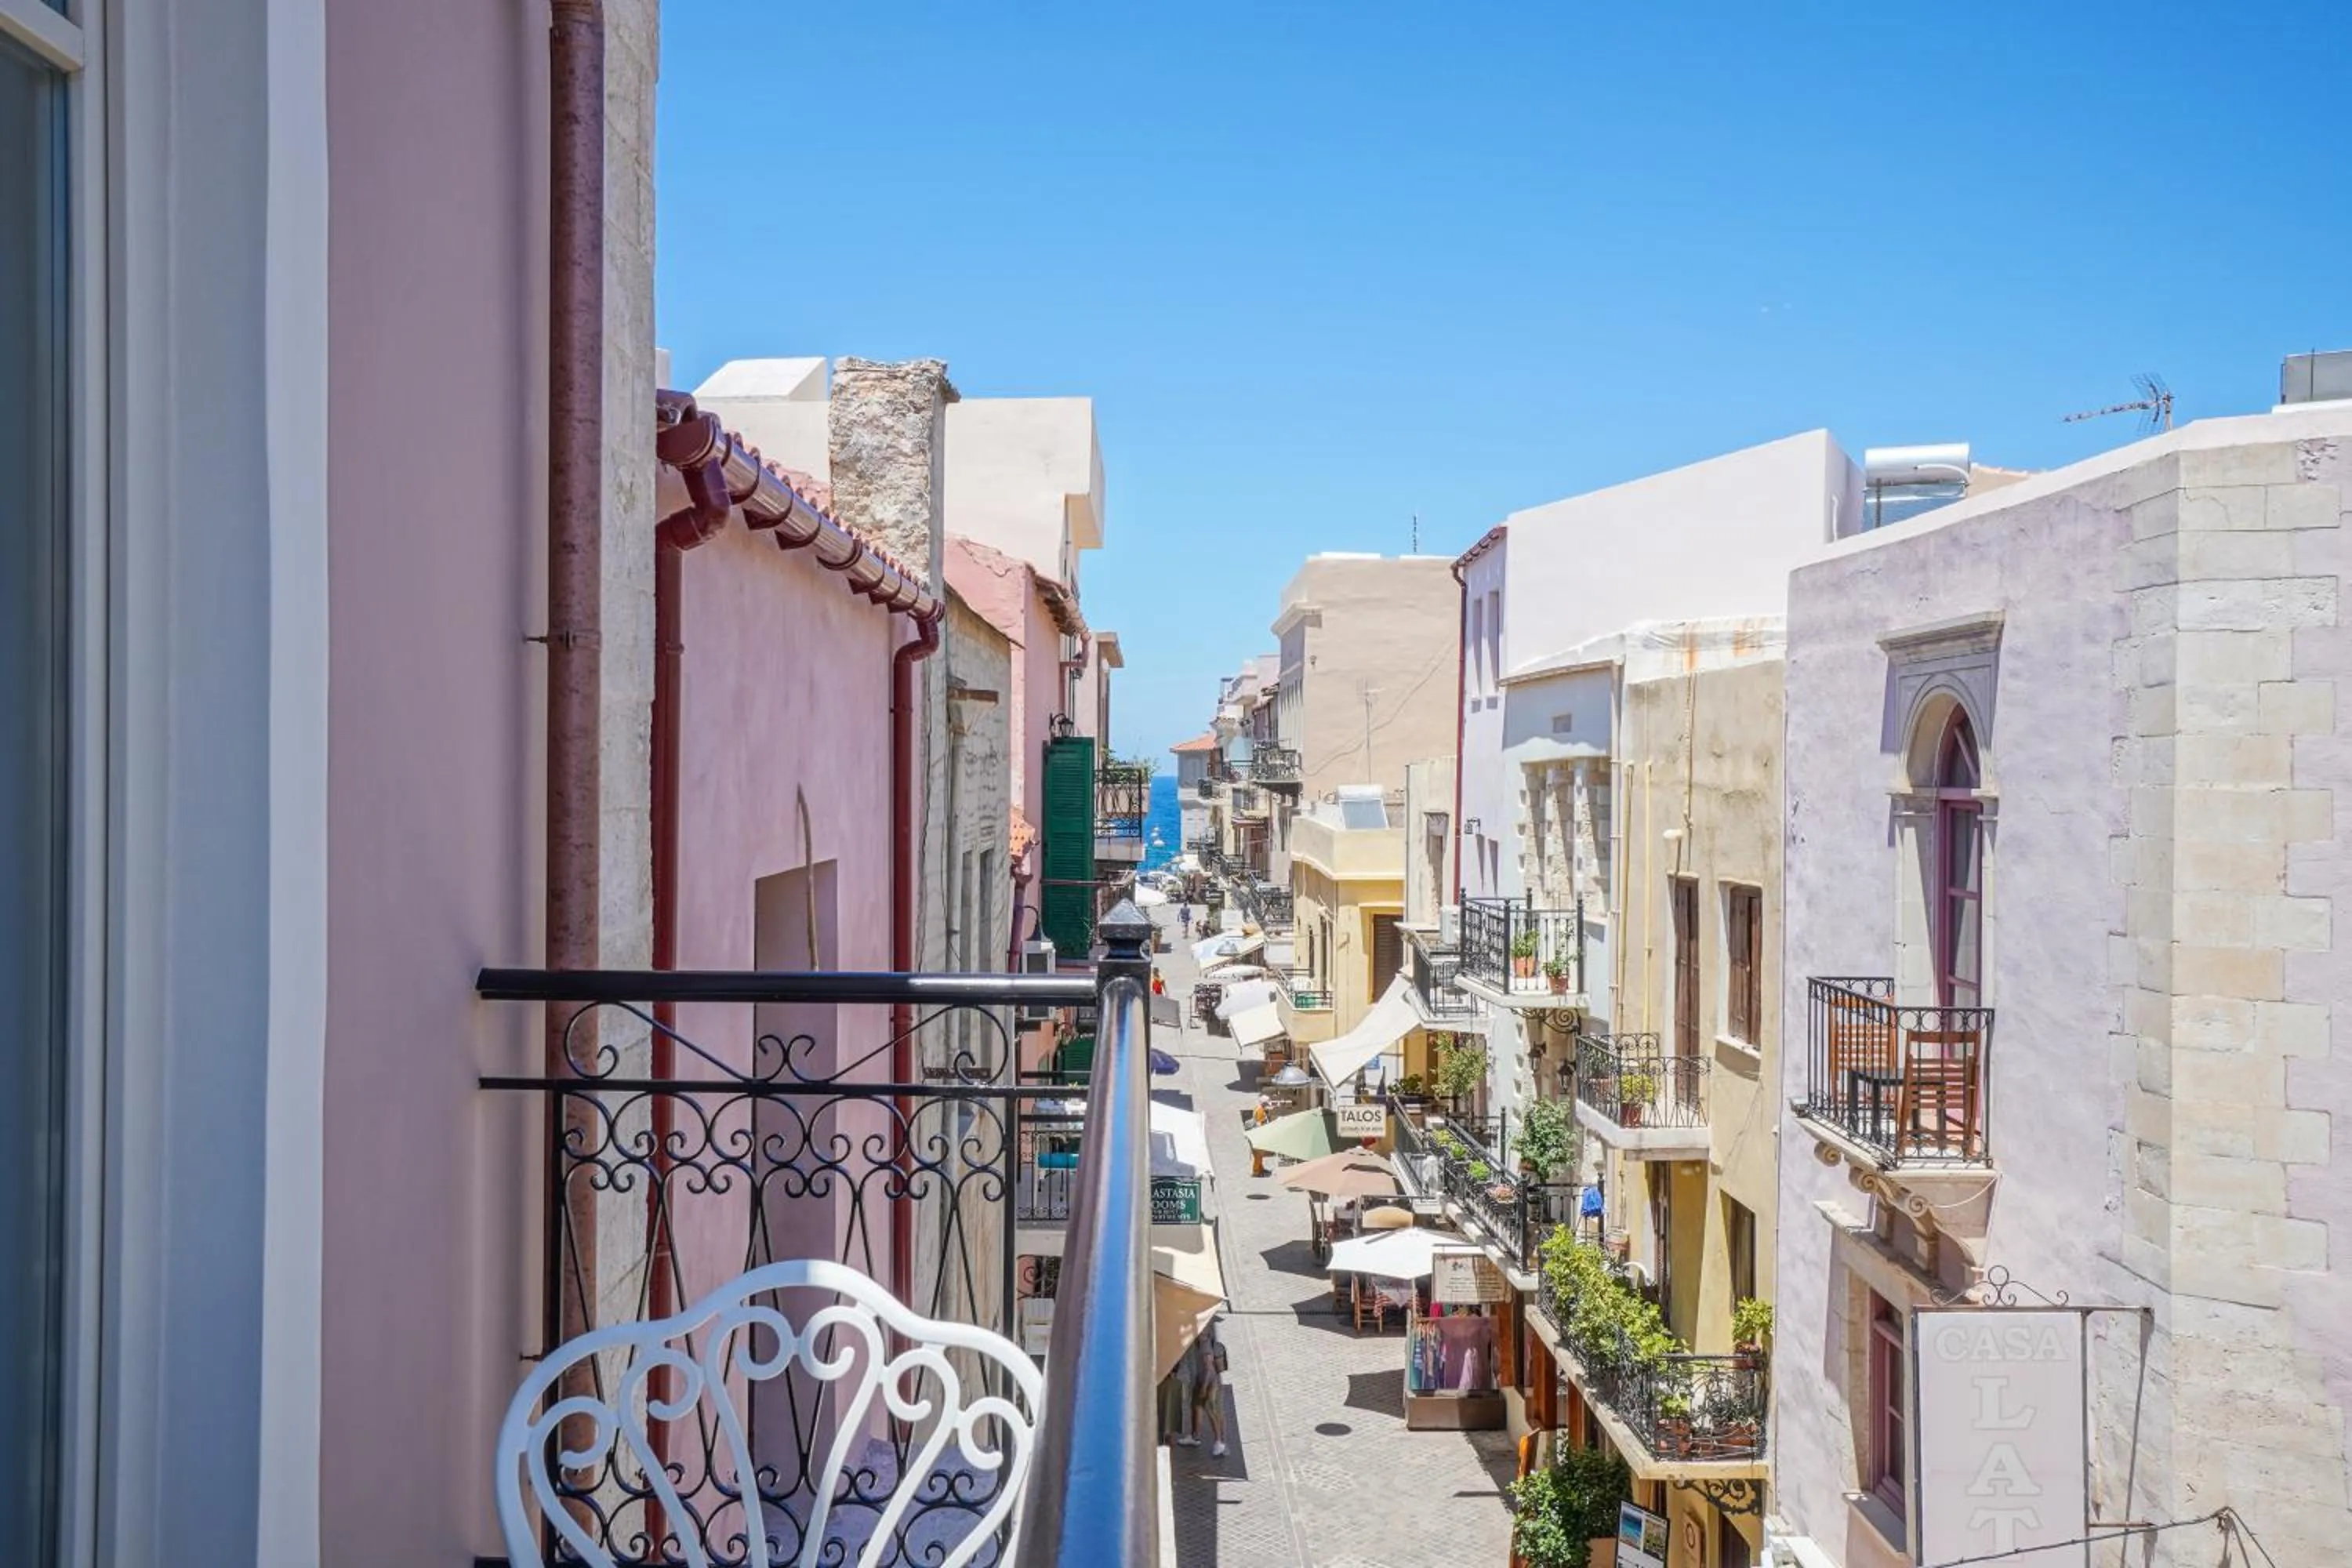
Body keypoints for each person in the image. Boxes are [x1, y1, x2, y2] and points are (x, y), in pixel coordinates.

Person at [1190, 1322, 1229, 1458]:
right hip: (1205, 1382)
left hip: (1209, 1384)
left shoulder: (1205, 1347)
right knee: (1198, 1406)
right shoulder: (1204, 1343)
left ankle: (1219, 1442)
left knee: (1212, 1411)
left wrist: (1204, 1387)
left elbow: (1209, 1369)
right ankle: (1195, 1436)